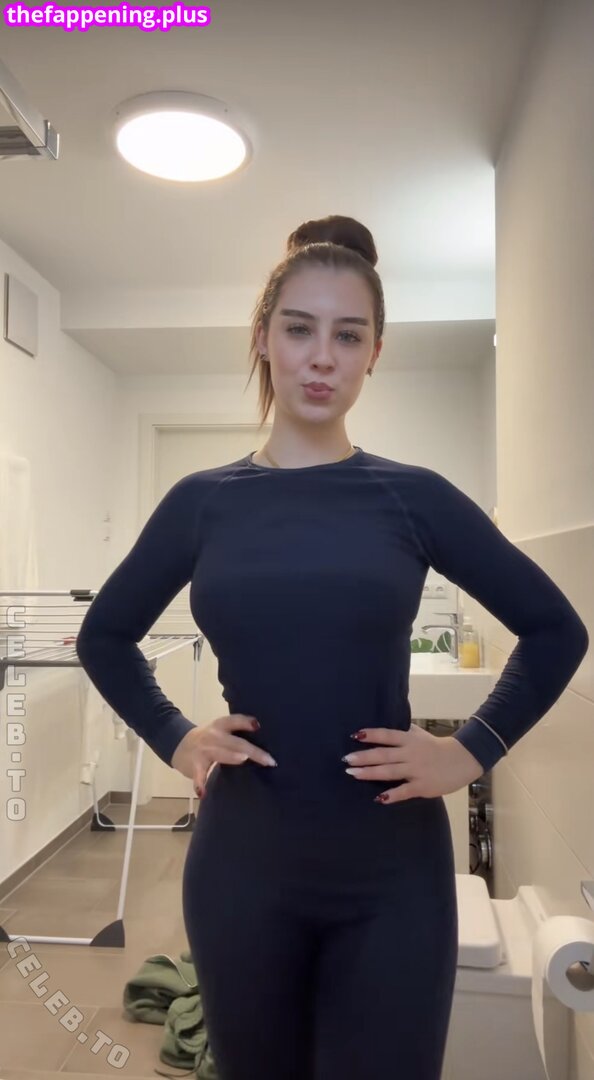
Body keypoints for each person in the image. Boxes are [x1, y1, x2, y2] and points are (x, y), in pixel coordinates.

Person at [76, 215, 589, 1080]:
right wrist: (176, 736)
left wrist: (469, 751)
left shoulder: (413, 497)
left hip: (393, 878)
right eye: (300, 329)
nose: (322, 358)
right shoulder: (203, 503)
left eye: (348, 336)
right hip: (243, 869)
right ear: (264, 338)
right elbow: (106, 635)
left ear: (374, 353)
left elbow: (555, 630)